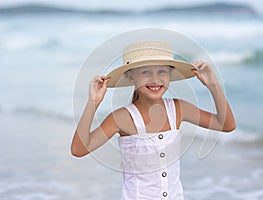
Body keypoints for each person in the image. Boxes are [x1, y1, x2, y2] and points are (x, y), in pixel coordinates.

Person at [71, 40, 236, 199]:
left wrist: (213, 85)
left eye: (162, 71)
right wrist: (93, 103)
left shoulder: (179, 109)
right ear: (131, 78)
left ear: (170, 75)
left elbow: (227, 125)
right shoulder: (122, 117)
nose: (155, 79)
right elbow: (79, 149)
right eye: (145, 72)